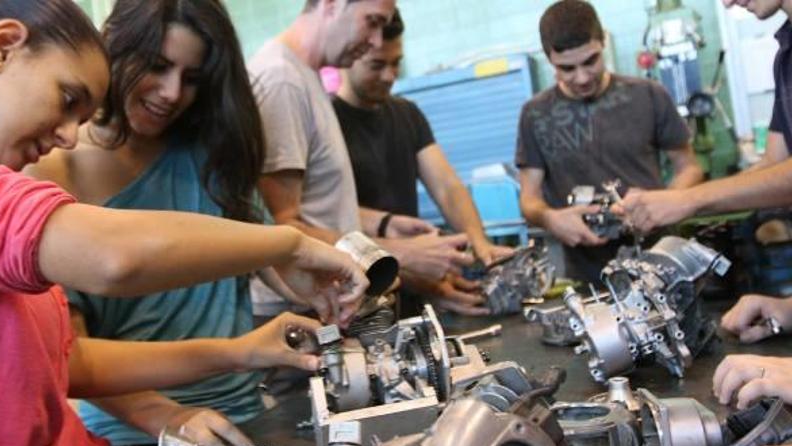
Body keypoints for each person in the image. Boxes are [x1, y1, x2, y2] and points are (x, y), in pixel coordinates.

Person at [0, 0, 368, 446]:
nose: (68, 137)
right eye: (67, 99)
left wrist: (239, 352)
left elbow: (69, 363)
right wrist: (286, 244)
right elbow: (114, 259)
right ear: (3, 47)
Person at [23, 0, 318, 446]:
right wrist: (166, 417)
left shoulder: (210, 151)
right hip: (137, 444)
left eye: (193, 77)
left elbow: (269, 254)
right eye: (157, 67)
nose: (172, 92)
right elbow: (68, 354)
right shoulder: (56, 169)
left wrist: (323, 286)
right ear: (115, 47)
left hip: (246, 421)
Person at [248, 0, 476, 318]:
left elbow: (316, 208)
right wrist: (399, 253)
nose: (376, 41)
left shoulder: (302, 76)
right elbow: (279, 228)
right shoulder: (281, 80)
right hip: (299, 312)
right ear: (332, 4)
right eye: (371, 22)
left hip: (329, 302)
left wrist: (384, 225)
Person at [332, 8, 513, 315]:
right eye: (377, 65)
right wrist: (414, 273)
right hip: (357, 299)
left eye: (396, 63)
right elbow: (325, 220)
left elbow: (447, 187)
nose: (390, 76)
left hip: (412, 291)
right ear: (349, 57)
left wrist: (480, 244)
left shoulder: (407, 114)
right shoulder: (326, 125)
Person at [516, 0, 704, 283]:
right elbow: (529, 198)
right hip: (590, 279)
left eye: (590, 61)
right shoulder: (535, 115)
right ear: (549, 59)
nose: (581, 77)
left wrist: (664, 204)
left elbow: (689, 167)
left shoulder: (648, 95)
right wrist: (550, 219)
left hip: (660, 265)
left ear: (602, 41)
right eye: (567, 68)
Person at [618, 0, 792, 235]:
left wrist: (690, 199)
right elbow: (774, 161)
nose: (728, 3)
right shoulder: (786, 56)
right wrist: (668, 202)